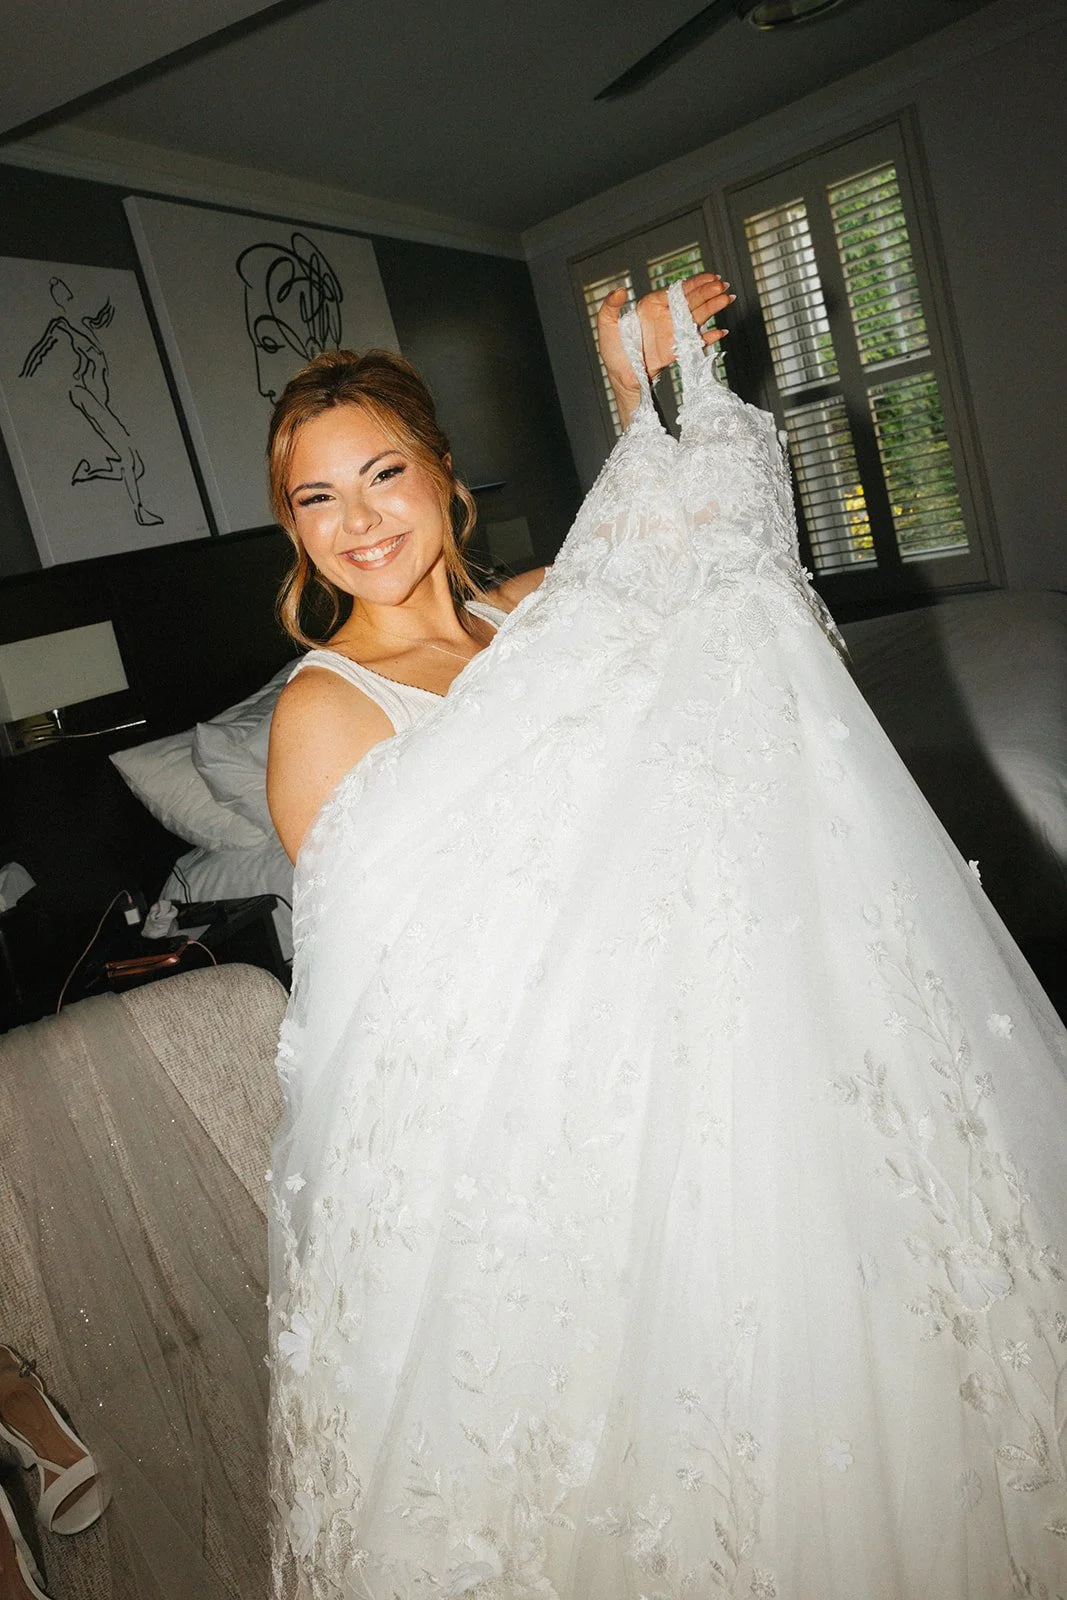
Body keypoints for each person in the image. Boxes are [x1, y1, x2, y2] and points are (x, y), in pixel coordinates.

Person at [266, 278, 1067, 1600]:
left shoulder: (534, 617)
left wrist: (641, 397)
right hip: (529, 1129)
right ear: (291, 530)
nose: (359, 521)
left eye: (383, 474)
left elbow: (701, 562)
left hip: (692, 1068)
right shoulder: (321, 708)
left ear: (443, 474)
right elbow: (385, 1000)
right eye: (317, 499)